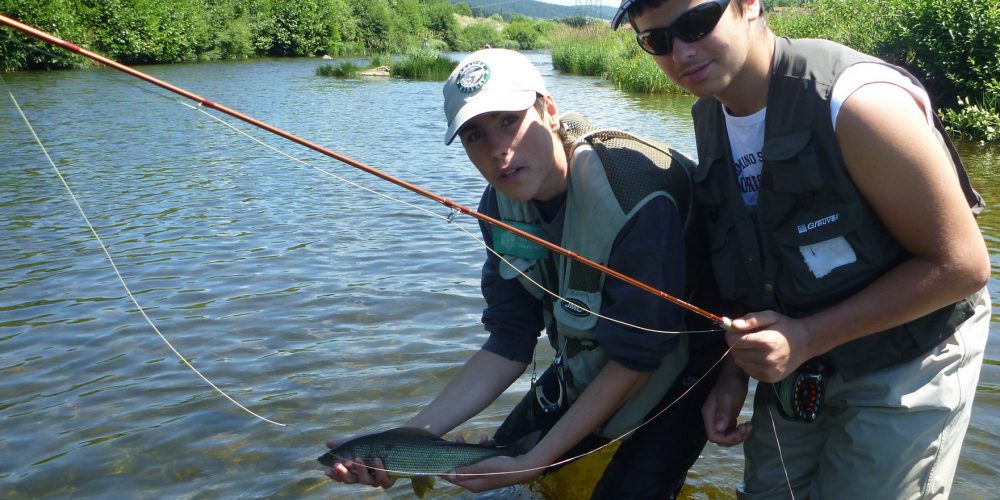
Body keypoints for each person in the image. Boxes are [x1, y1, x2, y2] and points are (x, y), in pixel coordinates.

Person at [611, 0, 991, 498]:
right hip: (802, 358)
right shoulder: (709, 115)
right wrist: (732, 375)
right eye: (657, 41)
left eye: (696, 23)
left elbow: (962, 266)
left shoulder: (859, 104)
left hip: (910, 351)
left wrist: (809, 336)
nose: (681, 51)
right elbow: (749, 260)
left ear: (750, 4)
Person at [323, 48, 726, 498]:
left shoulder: (632, 192)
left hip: (684, 360)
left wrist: (534, 461)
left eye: (509, 121)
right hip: (597, 359)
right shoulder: (499, 208)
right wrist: (401, 442)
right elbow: (510, 340)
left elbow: (638, 356)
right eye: (475, 135)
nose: (499, 150)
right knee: (502, 469)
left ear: (548, 110)